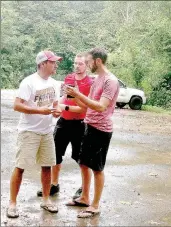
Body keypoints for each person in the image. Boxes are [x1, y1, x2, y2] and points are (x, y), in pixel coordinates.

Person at [6, 50, 63, 218]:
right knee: (21, 167)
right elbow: (17, 105)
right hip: (28, 131)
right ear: (42, 64)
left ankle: (46, 200)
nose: (55, 65)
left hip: (46, 132)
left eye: (55, 62)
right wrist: (40, 110)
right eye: (52, 62)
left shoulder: (54, 83)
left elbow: (55, 104)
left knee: (47, 166)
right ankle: (12, 203)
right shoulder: (29, 82)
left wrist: (56, 111)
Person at [64, 47, 120, 218]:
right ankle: (84, 197)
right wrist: (74, 96)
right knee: (83, 162)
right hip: (89, 125)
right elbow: (90, 103)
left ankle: (95, 206)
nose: (87, 66)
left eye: (88, 62)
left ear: (98, 61)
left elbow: (101, 106)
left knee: (97, 168)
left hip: (101, 129)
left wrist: (78, 94)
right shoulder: (98, 79)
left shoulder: (110, 81)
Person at [36, 53, 94, 200]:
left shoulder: (89, 83)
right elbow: (63, 97)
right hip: (64, 122)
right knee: (55, 154)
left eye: (80, 64)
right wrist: (57, 105)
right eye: (75, 63)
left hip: (80, 123)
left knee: (81, 158)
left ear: (87, 65)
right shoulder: (69, 78)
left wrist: (64, 108)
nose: (77, 66)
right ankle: (54, 184)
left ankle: (84, 188)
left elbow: (85, 109)